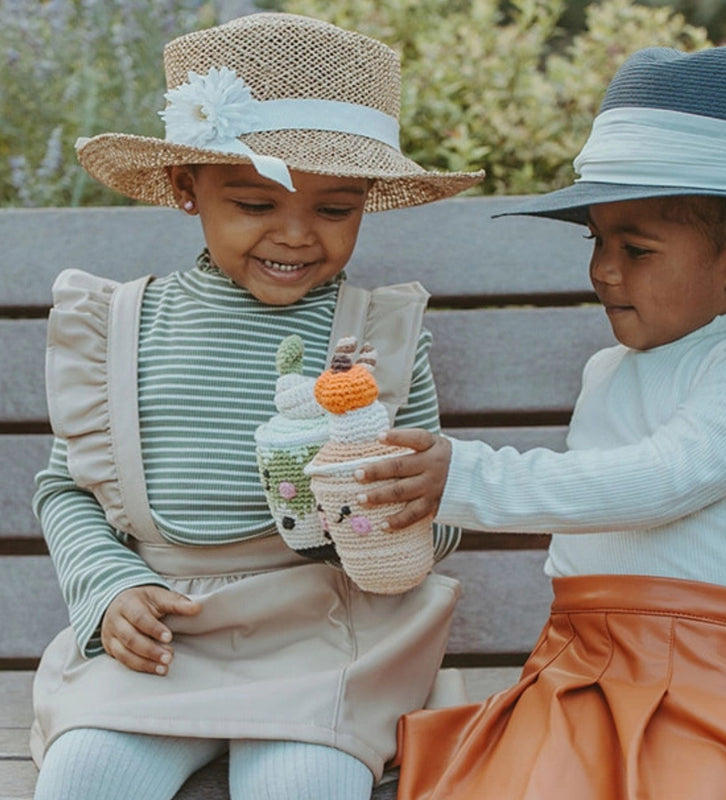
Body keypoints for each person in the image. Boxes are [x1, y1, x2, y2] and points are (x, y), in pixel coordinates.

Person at [30, 12, 483, 800]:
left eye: (335, 210)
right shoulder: (121, 326)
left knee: (306, 785)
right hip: (162, 634)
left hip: (325, 634)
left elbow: (433, 512)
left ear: (367, 202)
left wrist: (377, 512)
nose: (297, 235)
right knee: (84, 779)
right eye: (254, 203)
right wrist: (109, 590)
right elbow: (67, 489)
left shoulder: (379, 335)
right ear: (186, 187)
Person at [357, 45, 726, 799]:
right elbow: (587, 530)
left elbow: (660, 481)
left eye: (636, 249)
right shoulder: (609, 371)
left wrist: (466, 477)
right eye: (597, 240)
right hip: (580, 661)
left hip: (722, 676)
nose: (603, 269)